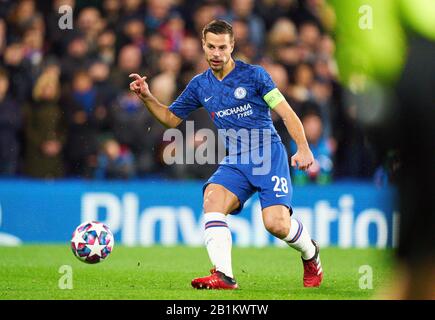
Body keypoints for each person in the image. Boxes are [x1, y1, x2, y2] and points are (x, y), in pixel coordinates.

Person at [129, 20, 323, 290]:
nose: (216, 53)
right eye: (211, 46)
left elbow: (287, 113)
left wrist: (303, 147)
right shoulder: (200, 85)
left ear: (232, 46)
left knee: (276, 225)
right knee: (212, 199)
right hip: (236, 158)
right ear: (203, 46)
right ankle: (224, 276)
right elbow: (172, 119)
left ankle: (310, 252)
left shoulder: (255, 75)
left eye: (222, 47)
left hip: (267, 153)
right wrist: (148, 97)